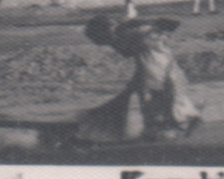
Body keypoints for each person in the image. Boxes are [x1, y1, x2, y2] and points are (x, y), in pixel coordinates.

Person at [75, 14, 201, 143]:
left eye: (107, 40)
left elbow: (130, 50)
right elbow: (134, 48)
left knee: (153, 96)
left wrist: (152, 26)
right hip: (163, 63)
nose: (110, 44)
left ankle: (170, 125)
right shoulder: (131, 30)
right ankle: (179, 120)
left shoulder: (127, 32)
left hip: (154, 65)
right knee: (168, 93)